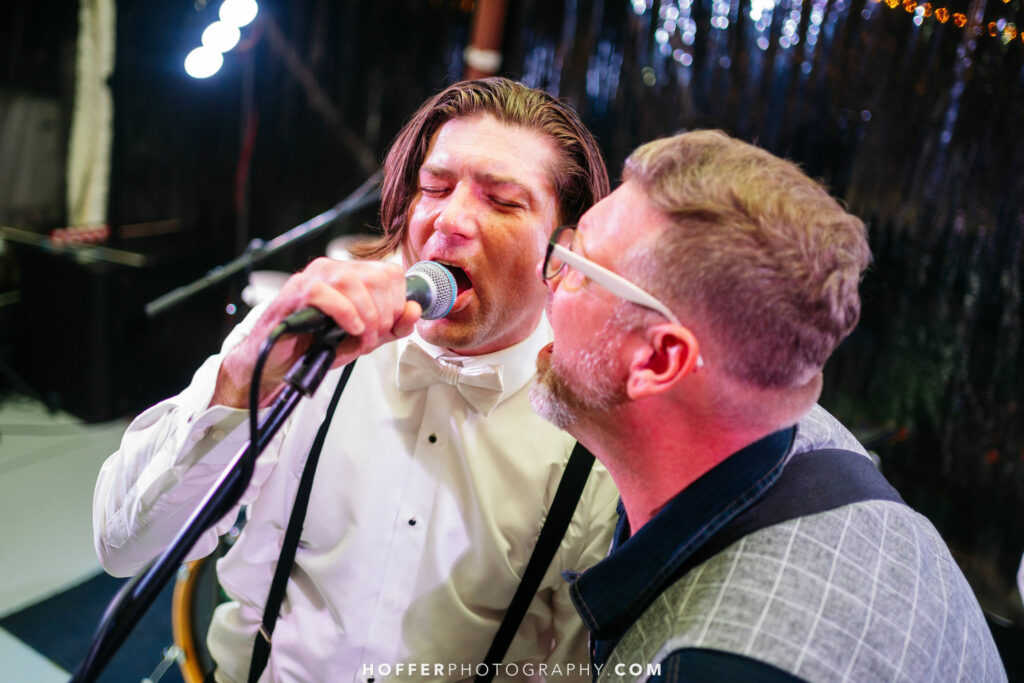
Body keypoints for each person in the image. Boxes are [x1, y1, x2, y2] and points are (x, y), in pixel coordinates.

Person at [94, 78, 618, 682]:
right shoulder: (304, 338)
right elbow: (120, 544)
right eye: (435, 188)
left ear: (564, 246)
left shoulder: (592, 426)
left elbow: (585, 663)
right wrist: (243, 378)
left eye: (501, 201)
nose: (450, 220)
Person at [530, 130, 1006, 681]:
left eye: (578, 265)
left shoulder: (717, 667)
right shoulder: (805, 438)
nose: (552, 282)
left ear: (660, 361)